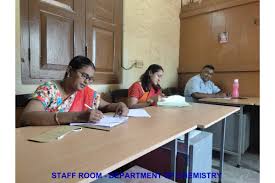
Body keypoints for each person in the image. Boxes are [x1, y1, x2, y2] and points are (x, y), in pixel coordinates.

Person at [20, 56, 129, 126]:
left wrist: (119, 105)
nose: (86, 82)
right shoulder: (49, 89)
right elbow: (27, 117)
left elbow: (106, 106)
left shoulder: (86, 92)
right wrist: (77, 116)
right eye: (84, 75)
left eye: (90, 79)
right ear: (70, 71)